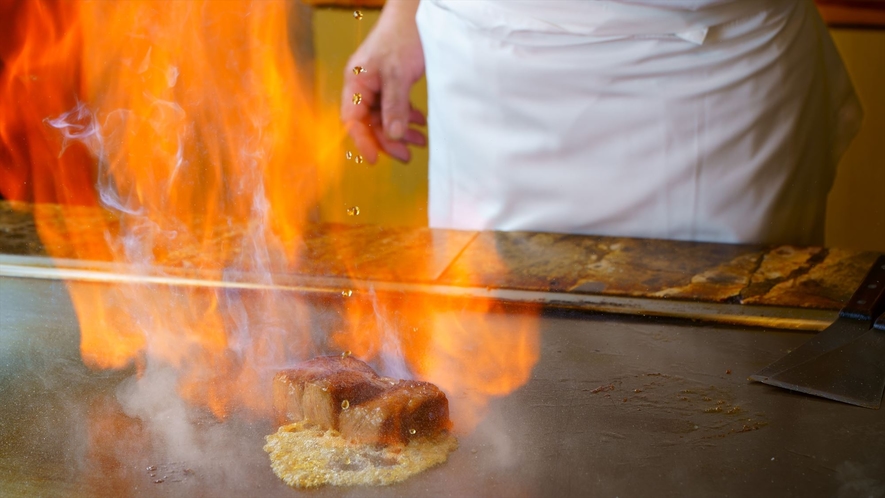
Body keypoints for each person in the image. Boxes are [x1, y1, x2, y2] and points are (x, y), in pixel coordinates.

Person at [340, 0, 861, 246]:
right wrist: (400, 16)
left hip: (717, 78)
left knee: (730, 371)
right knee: (488, 373)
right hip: (491, 71)